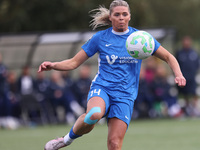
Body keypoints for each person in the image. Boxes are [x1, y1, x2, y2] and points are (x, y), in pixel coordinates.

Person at [38, 1, 186, 150]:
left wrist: (178, 74)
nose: (121, 17)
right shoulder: (100, 38)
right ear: (110, 17)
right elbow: (73, 63)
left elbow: (168, 57)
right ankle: (65, 140)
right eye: (117, 14)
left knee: (114, 145)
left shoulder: (141, 39)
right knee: (94, 115)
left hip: (125, 95)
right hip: (103, 87)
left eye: (124, 14)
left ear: (129, 16)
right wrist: (53, 65)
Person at [175, 36, 199, 116]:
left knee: (193, 94)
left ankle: (194, 110)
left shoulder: (194, 53)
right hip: (183, 78)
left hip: (192, 78)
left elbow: (197, 64)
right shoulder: (179, 53)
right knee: (184, 95)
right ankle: (186, 110)